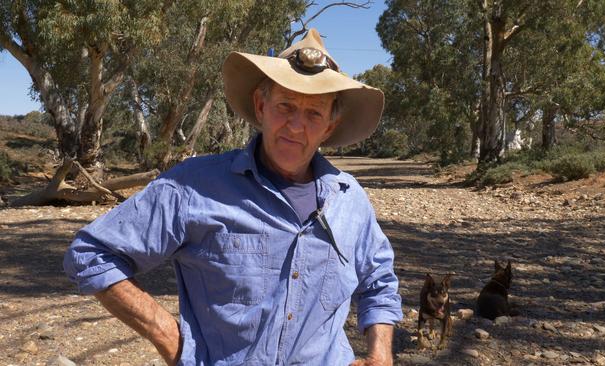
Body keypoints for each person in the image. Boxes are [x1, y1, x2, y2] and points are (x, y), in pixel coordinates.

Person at [63, 29, 402, 365]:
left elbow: (378, 280)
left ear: (329, 126)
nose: (296, 126)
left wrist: (381, 353)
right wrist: (169, 336)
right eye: (285, 106)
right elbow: (93, 253)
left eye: (314, 113)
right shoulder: (193, 186)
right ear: (260, 106)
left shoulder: (349, 199)